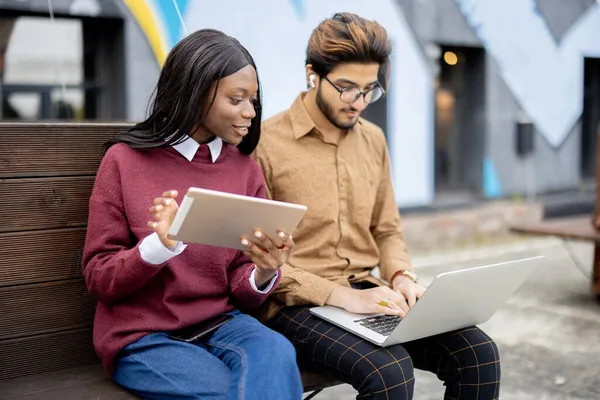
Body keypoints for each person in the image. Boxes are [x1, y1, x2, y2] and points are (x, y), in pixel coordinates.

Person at [252, 13, 501, 400]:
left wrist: (401, 275)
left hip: (368, 293)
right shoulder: (265, 144)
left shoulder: (373, 140)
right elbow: (257, 262)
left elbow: (386, 229)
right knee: (390, 372)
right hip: (294, 304)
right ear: (312, 75)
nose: (360, 103)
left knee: (479, 354)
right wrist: (342, 297)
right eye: (348, 88)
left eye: (371, 90)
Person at [82, 29, 303, 400]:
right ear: (194, 92)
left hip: (222, 324)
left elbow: (239, 284)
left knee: (278, 353)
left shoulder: (244, 169)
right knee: (228, 392)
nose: (250, 112)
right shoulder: (123, 161)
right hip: (143, 336)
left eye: (253, 99)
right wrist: (158, 247)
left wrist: (263, 272)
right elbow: (99, 278)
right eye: (236, 99)